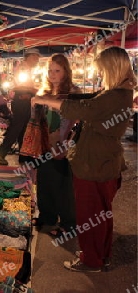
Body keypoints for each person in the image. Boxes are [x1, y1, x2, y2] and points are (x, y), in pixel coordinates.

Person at [32, 46, 137, 272]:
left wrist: (45, 99)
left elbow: (84, 109)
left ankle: (92, 261)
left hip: (96, 163)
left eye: (103, 70)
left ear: (112, 69)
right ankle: (99, 255)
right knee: (100, 214)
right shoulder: (120, 93)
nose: (100, 74)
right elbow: (87, 103)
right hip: (102, 161)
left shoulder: (115, 96)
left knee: (91, 216)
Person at [32, 54, 81, 238]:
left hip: (64, 146)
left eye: (57, 71)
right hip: (45, 145)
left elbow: (79, 120)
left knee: (63, 186)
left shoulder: (73, 93)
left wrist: (71, 139)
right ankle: (47, 217)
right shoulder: (44, 91)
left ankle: (68, 224)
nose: (52, 74)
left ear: (66, 72)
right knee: (44, 181)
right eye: (50, 70)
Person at [0, 48, 41, 165]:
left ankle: (23, 157)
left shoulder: (27, 69)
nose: (37, 60)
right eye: (36, 57)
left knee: (23, 130)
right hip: (21, 102)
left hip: (24, 101)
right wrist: (33, 91)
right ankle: (0, 153)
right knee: (16, 129)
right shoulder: (23, 69)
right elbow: (19, 87)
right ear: (29, 56)